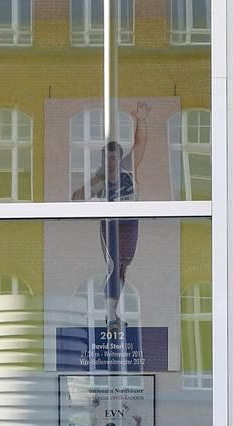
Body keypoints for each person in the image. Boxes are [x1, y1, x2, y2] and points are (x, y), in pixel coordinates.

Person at [72, 101, 150, 331]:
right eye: (106, 158)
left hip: (130, 223)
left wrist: (141, 121)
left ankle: (112, 312)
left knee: (123, 267)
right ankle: (109, 315)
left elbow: (140, 143)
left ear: (119, 157)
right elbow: (77, 198)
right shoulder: (100, 178)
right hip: (112, 225)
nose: (110, 161)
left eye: (114, 157)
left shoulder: (128, 167)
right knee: (114, 266)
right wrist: (94, 191)